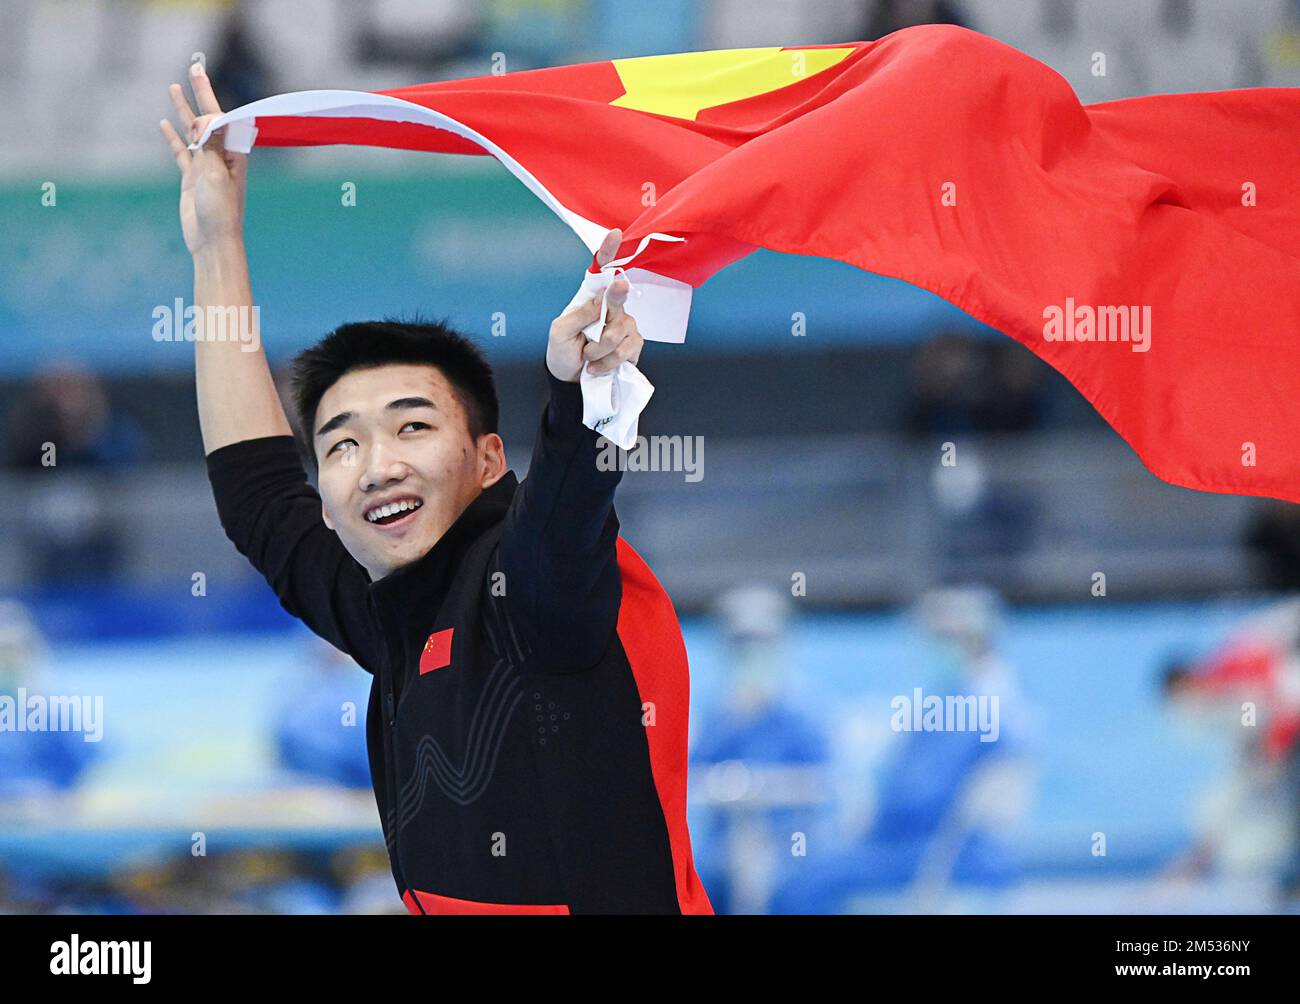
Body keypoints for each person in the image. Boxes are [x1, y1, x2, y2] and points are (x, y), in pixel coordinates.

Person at [159, 62, 712, 915]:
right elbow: (259, 496)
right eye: (342, 445)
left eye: (412, 426)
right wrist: (216, 248)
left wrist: (577, 394)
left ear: (489, 458)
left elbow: (565, 522)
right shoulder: (386, 613)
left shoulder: (532, 598)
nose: (377, 464)